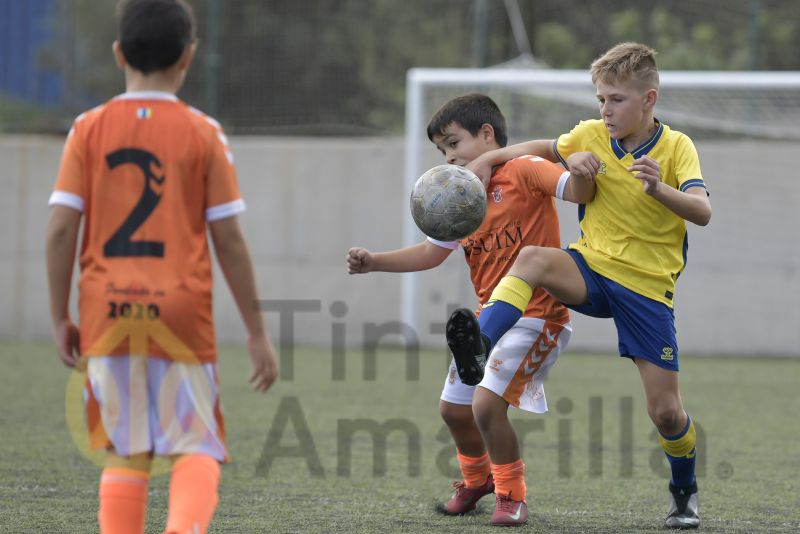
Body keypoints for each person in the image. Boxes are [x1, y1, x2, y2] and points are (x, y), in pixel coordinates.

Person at [449, 42, 711, 529]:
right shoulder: (589, 135)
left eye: (616, 99)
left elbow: (703, 211)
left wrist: (659, 189)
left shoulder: (677, 147)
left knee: (667, 414)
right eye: (600, 100)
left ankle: (684, 490)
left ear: (648, 99)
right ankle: (480, 344)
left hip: (646, 290)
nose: (605, 111)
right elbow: (538, 148)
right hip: (589, 269)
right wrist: (490, 161)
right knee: (532, 259)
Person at [45, 1, 278, 532]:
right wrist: (257, 332)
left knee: (126, 452)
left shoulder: (87, 129)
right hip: (181, 315)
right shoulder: (203, 132)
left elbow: (60, 229)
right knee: (194, 446)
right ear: (189, 57)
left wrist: (60, 314)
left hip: (107, 312)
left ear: (119, 53)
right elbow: (230, 242)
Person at [347, 93, 594, 527]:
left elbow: (575, 190)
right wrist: (376, 262)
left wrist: (580, 167)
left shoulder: (523, 170)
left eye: (453, 143)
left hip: (539, 318)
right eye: (441, 150)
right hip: (489, 321)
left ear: (486, 135)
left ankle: (511, 494)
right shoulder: (461, 197)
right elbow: (431, 252)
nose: (448, 156)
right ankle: (476, 480)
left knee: (484, 406)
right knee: (453, 410)